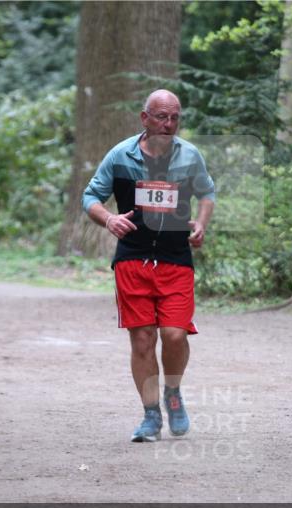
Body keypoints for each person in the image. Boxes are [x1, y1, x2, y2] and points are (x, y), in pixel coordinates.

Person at [82, 89, 215, 442]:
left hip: (175, 259)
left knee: (174, 334)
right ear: (145, 118)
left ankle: (173, 393)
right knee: (142, 340)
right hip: (132, 259)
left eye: (174, 117)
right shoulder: (120, 155)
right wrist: (108, 219)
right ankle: (151, 415)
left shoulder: (189, 156)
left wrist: (201, 222)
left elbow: (207, 193)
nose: (168, 124)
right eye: (161, 117)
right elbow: (90, 196)